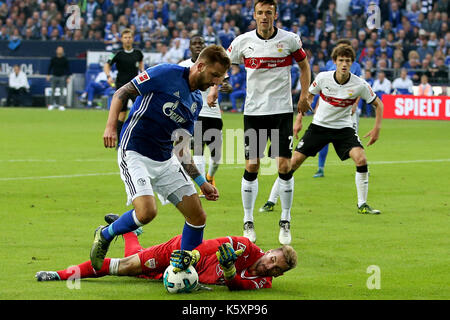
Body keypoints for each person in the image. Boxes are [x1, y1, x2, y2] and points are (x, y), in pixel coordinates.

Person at [90, 45, 231, 271]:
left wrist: (202, 183)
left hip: (165, 160)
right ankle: (105, 234)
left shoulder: (196, 102)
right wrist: (110, 126)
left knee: (197, 216)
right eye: (214, 75)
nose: (216, 82)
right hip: (134, 151)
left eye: (220, 78)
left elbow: (182, 149)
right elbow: (122, 93)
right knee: (147, 213)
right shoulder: (166, 73)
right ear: (201, 66)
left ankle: (183, 271)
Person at [261, 45, 384, 221]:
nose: (344, 64)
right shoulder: (323, 78)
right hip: (319, 126)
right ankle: (271, 200)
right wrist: (299, 120)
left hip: (344, 128)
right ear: (334, 62)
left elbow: (378, 104)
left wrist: (376, 128)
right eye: (341, 60)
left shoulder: (359, 84)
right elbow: (308, 98)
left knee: (361, 159)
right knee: (292, 163)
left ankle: (362, 204)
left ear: (352, 63)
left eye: (347, 61)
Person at [226, 0, 311, 245]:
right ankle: (248, 221)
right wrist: (218, 85)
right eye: (260, 13)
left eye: (269, 13)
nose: (264, 17)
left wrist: (304, 95)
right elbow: (225, 63)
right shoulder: (243, 42)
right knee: (252, 165)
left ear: (275, 15)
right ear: (254, 15)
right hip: (254, 112)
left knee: (284, 166)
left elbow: (304, 66)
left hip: (282, 112)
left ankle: (285, 221)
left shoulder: (290, 40)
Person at [36, 214, 298, 291]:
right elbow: (213, 243)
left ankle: (129, 232)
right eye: (273, 259)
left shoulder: (263, 283)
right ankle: (59, 274)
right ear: (270, 250)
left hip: (182, 274)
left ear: (280, 274)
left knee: (138, 269)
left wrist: (229, 271)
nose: (270, 266)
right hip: (180, 252)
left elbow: (237, 286)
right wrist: (192, 255)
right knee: (126, 266)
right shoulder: (245, 246)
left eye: (277, 268)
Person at [178, 36, 231, 189]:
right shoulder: (184, 66)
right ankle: (201, 187)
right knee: (199, 151)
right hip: (195, 114)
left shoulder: (215, 65)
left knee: (217, 157)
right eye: (194, 43)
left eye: (200, 43)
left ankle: (210, 177)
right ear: (189, 47)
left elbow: (226, 83)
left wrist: (227, 87)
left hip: (214, 114)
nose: (198, 46)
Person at [309, 39, 363, 179]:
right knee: (324, 139)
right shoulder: (329, 65)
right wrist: (318, 105)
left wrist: (355, 104)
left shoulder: (356, 66)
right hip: (329, 108)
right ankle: (320, 168)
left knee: (354, 138)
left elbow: (359, 87)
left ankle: (361, 166)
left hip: (348, 109)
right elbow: (323, 87)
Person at [103, 28, 144, 145]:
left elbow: (141, 64)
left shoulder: (138, 53)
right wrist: (108, 76)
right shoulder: (117, 53)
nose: (128, 40)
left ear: (133, 39)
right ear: (121, 39)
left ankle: (137, 138)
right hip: (121, 86)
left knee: (140, 111)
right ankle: (120, 142)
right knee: (121, 113)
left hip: (135, 86)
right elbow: (107, 65)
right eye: (125, 37)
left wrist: (142, 71)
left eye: (129, 37)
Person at [47, 46, 71, 111]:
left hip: (62, 77)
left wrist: (68, 77)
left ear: (63, 51)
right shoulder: (53, 59)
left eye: (61, 50)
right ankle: (51, 105)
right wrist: (48, 75)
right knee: (52, 91)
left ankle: (61, 105)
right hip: (54, 76)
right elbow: (50, 67)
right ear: (56, 51)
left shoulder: (65, 59)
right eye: (58, 50)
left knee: (62, 92)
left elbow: (67, 69)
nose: (60, 51)